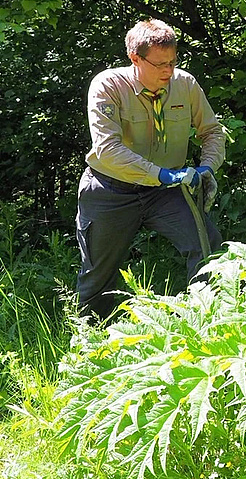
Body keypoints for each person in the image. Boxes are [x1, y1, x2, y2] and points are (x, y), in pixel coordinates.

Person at [75, 18, 225, 321]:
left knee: (208, 249)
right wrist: (163, 174)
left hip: (166, 192)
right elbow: (107, 149)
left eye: (172, 62)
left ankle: (206, 320)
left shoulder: (185, 84)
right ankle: (90, 340)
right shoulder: (108, 86)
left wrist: (207, 167)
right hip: (110, 189)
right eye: (159, 65)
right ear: (135, 59)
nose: (168, 71)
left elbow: (212, 132)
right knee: (97, 274)